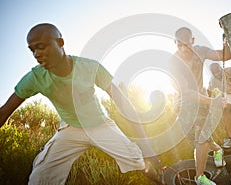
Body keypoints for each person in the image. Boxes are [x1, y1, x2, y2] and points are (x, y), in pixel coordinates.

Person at [0, 23, 161, 184]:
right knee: (41, 176)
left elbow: (124, 105)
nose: (36, 54)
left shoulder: (90, 68)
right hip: (70, 128)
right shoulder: (35, 78)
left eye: (41, 47)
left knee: (139, 161)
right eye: (32, 49)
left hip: (101, 125)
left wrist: (146, 146)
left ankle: (167, 179)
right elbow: (4, 112)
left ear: (60, 43)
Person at [170, 27, 231, 185]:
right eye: (179, 45)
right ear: (175, 43)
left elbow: (226, 56)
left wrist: (227, 39)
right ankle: (218, 150)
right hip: (182, 103)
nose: (183, 49)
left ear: (193, 41)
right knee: (198, 140)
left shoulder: (201, 51)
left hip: (201, 100)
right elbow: (186, 91)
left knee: (202, 138)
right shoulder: (173, 62)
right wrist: (214, 102)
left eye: (186, 44)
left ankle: (199, 178)